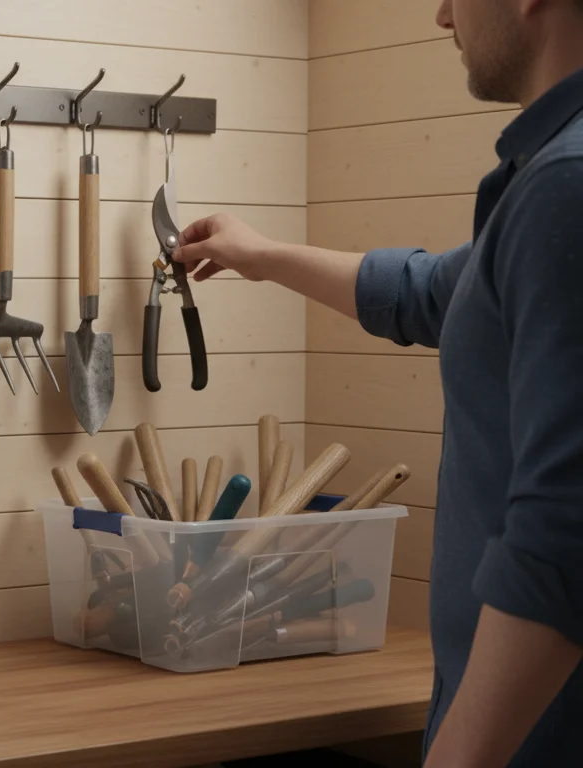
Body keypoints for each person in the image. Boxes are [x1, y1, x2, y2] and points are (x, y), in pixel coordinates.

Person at [176, 0, 583, 765]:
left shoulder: (569, 185)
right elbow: (435, 293)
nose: (439, 15)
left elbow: (565, 541)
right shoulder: (550, 179)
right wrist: (258, 254)